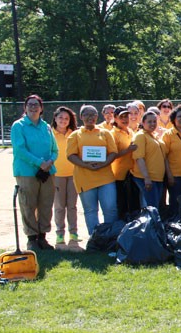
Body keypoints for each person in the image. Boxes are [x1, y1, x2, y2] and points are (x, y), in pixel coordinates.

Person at [11, 94, 58, 251]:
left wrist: (49, 162)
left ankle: (42, 237)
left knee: (46, 204)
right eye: (30, 104)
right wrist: (40, 163)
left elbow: (55, 150)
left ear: (41, 108)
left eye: (36, 104)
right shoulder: (19, 126)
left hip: (47, 172)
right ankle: (32, 238)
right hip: (27, 172)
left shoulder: (46, 127)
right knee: (28, 204)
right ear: (25, 107)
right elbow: (20, 149)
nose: (33, 107)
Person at [67, 105, 118, 236]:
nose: (90, 118)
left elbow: (113, 152)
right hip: (85, 178)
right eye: (87, 115)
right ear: (81, 117)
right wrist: (86, 165)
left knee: (110, 209)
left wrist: (104, 164)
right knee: (90, 210)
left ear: (97, 116)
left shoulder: (105, 133)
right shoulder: (75, 135)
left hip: (105, 177)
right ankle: (95, 238)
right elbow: (71, 155)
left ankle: (110, 238)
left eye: (93, 115)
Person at [51, 106, 82, 251]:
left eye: (66, 118)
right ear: (55, 118)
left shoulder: (74, 133)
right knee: (59, 206)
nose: (63, 121)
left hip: (72, 174)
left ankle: (73, 233)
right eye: (60, 117)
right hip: (56, 175)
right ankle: (59, 234)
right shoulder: (49, 133)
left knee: (72, 206)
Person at [131, 111, 166, 209]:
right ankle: (150, 225)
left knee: (155, 207)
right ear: (143, 122)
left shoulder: (153, 136)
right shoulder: (140, 136)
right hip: (147, 178)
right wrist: (146, 177)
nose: (152, 124)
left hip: (158, 178)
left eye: (154, 121)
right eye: (149, 122)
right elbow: (139, 158)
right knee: (151, 208)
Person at [110, 107, 140, 220]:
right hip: (119, 175)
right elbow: (112, 155)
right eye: (121, 117)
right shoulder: (112, 134)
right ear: (115, 118)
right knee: (122, 205)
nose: (125, 119)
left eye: (126, 116)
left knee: (133, 205)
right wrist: (128, 150)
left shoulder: (131, 131)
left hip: (133, 174)